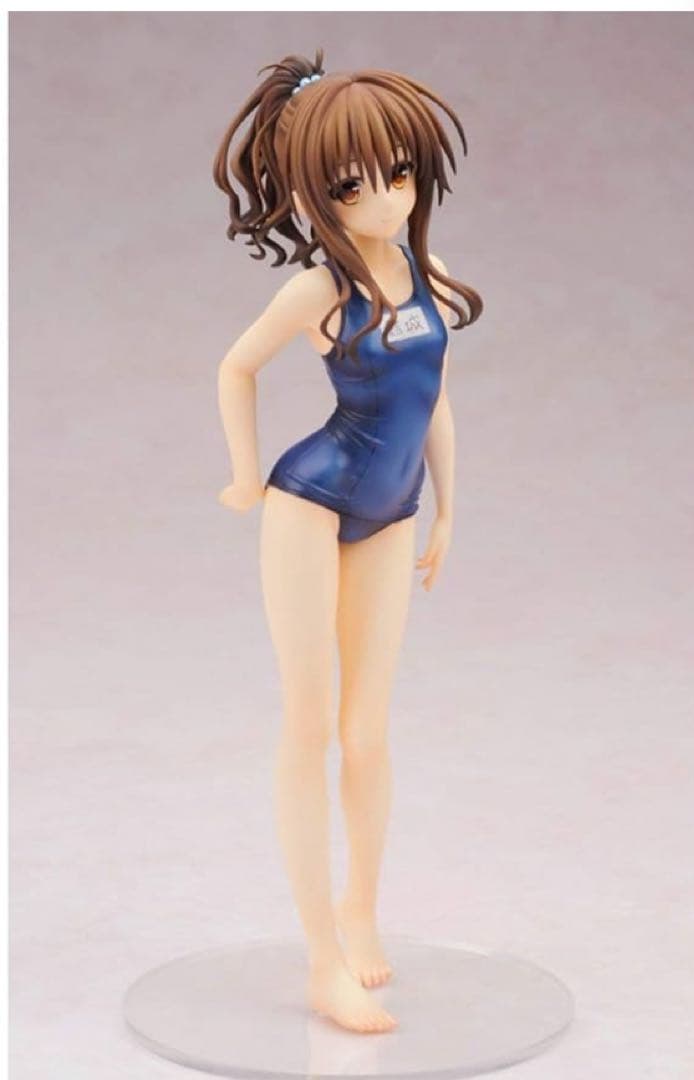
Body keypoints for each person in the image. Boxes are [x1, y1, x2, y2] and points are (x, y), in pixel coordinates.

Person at [213, 47, 482, 1034]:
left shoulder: (426, 274)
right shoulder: (317, 291)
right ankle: (321, 956)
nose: (384, 198)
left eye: (398, 173)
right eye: (350, 185)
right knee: (309, 725)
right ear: (313, 195)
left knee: (369, 733)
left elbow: (431, 399)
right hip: (312, 502)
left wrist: (447, 507)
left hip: (391, 513)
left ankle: (360, 910)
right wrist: (246, 474)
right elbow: (235, 368)